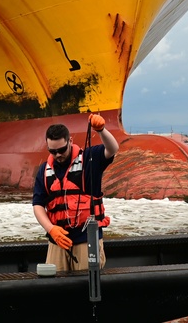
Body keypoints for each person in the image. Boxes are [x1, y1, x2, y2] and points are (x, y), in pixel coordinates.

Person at [32, 113, 119, 272]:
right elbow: (37, 205)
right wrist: (51, 229)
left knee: (87, 286)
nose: (58, 155)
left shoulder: (89, 159)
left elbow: (112, 149)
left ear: (70, 141)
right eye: (53, 151)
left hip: (87, 240)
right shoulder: (44, 171)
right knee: (55, 285)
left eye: (62, 149)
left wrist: (101, 130)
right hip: (58, 242)